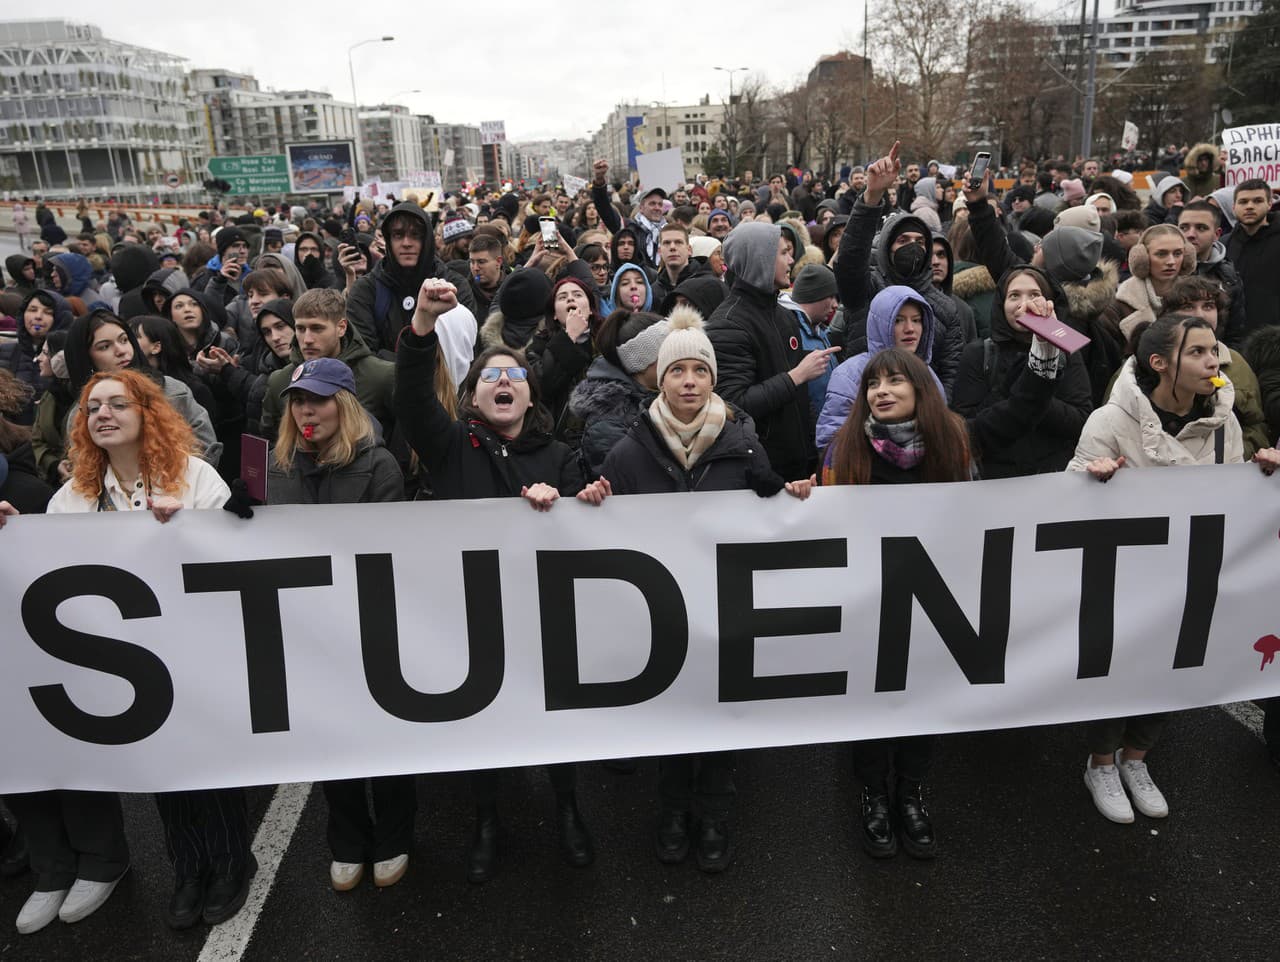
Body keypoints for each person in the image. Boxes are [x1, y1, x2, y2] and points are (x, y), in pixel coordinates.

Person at [394, 276, 607, 883]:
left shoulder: (560, 454)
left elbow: (584, 526)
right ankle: (486, 819)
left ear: (531, 392)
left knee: (555, 722)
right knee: (484, 724)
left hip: (543, 617)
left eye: (514, 374)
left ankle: (568, 807)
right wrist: (421, 329)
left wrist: (580, 497)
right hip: (474, 614)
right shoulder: (451, 446)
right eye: (490, 376)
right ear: (472, 397)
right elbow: (410, 400)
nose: (504, 381)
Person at [11, 368, 235, 934]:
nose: (102, 414)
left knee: (215, 763)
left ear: (147, 413)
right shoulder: (74, 496)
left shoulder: (196, 478)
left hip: (199, 652)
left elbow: (237, 547)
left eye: (117, 404)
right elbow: (49, 573)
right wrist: (16, 534)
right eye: (92, 408)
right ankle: (187, 867)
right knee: (161, 767)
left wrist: (189, 528)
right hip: (133, 670)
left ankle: (232, 862)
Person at [600, 311, 813, 873]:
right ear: (660, 379)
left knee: (717, 718)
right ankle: (673, 813)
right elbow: (604, 532)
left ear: (713, 378)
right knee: (674, 720)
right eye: (678, 371)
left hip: (722, 615)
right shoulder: (628, 453)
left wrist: (792, 494)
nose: (689, 381)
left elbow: (768, 502)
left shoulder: (743, 444)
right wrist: (592, 497)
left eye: (700, 370)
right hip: (664, 617)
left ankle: (714, 813)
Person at [1068, 314, 1280, 822]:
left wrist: (1262, 475)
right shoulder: (1111, 421)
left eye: (1216, 351)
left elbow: (1229, 493)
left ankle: (1136, 759)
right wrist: (1091, 479)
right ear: (1161, 363)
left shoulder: (1224, 421)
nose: (1216, 361)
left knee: (1174, 667)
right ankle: (1100, 762)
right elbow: (1068, 504)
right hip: (1125, 577)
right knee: (1116, 671)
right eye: (1201, 352)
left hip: (1188, 573)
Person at [818, 347, 974, 859]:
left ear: (920, 390)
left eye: (894, 381)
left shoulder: (952, 443)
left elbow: (977, 517)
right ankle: (872, 792)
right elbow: (830, 525)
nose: (881, 391)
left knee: (920, 700)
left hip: (932, 603)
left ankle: (910, 791)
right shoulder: (846, 449)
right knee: (872, 699)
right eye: (872, 384)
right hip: (869, 601)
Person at [266, 357, 412, 891]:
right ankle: (347, 837)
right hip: (308, 632)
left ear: (344, 404)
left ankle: (395, 832)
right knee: (331, 737)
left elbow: (387, 553)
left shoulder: (379, 466)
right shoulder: (275, 468)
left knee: (386, 734)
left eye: (319, 400)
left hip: (369, 624)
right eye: (299, 400)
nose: (308, 410)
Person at [836, 143, 973, 399]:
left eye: (920, 242)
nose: (913, 247)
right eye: (903, 241)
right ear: (887, 248)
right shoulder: (868, 289)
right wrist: (872, 197)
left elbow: (950, 377)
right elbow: (848, 262)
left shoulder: (945, 309)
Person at [707, 221, 837, 481]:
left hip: (799, 463)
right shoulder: (727, 324)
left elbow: (799, 399)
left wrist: (815, 447)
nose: (791, 260)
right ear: (760, 260)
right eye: (782, 253)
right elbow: (734, 404)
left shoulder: (784, 315)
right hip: (762, 470)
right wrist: (796, 376)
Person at [950, 266, 1093, 477]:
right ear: (1001, 303)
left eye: (1035, 295)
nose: (1024, 304)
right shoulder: (979, 354)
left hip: (1054, 477)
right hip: (996, 481)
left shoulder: (1065, 352)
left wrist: (1035, 388)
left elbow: (1082, 420)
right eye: (1014, 295)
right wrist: (1015, 391)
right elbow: (965, 426)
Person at [64, 311, 221, 466]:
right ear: (86, 357)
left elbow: (206, 446)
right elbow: (84, 466)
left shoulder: (172, 391)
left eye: (124, 340)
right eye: (105, 346)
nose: (121, 350)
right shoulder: (82, 412)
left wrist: (175, 479)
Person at [817, 286, 945, 451]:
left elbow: (941, 434)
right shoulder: (849, 375)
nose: (910, 329)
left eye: (916, 320)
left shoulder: (927, 374)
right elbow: (832, 442)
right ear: (880, 324)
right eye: (898, 320)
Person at [259, 289, 395, 444]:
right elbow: (269, 442)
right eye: (301, 329)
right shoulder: (280, 381)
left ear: (341, 328)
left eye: (317, 328)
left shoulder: (381, 376)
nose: (307, 339)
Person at [345, 201, 476, 358]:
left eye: (416, 235)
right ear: (388, 240)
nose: (407, 243)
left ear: (427, 239)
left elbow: (462, 353)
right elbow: (363, 356)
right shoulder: (366, 290)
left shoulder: (454, 286)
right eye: (398, 235)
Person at [569, 311, 670, 477]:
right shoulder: (608, 419)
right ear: (643, 362)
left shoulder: (667, 396)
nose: (677, 359)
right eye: (668, 352)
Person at [1226, 179, 1280, 343]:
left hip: (1274, 339)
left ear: (1270, 204)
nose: (1249, 206)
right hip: (1235, 340)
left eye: (1257, 201)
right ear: (1233, 207)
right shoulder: (1223, 244)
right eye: (1243, 201)